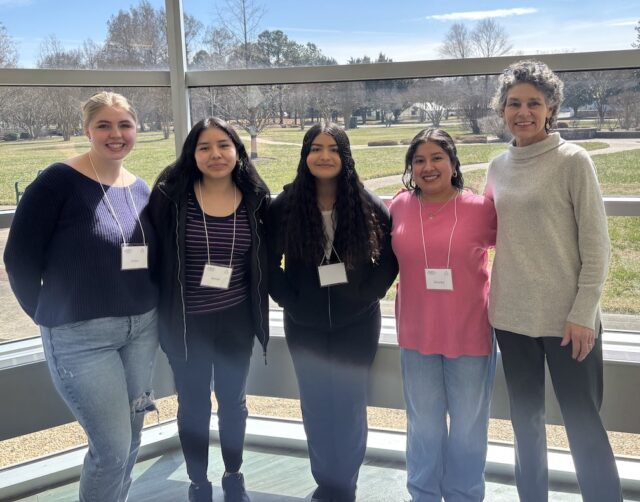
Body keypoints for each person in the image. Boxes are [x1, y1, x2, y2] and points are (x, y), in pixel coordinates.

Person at [4, 91, 159, 502]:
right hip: (81, 339)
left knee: (132, 437)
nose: (116, 134)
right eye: (104, 125)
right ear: (87, 130)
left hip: (142, 329)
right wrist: (45, 315)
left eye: (124, 124)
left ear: (136, 129)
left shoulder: (139, 188)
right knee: (110, 449)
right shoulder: (57, 181)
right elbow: (18, 258)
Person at [485, 60, 622, 502]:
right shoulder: (497, 166)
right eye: (513, 104)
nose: (522, 112)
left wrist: (584, 313)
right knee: (525, 424)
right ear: (502, 110)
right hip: (511, 318)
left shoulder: (572, 161)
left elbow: (598, 247)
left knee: (583, 422)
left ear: (551, 109)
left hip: (569, 323)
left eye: (533, 103)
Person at [267, 123, 398, 502]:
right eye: (316, 148)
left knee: (350, 404)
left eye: (333, 149)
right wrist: (291, 300)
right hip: (303, 325)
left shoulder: (366, 203)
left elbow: (389, 260)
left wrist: (366, 296)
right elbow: (267, 262)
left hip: (356, 325)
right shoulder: (286, 206)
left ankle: (346, 485)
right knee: (316, 403)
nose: (324, 156)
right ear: (305, 155)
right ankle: (327, 483)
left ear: (345, 157)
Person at [148, 117, 269, 502]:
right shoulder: (171, 196)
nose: (215, 154)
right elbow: (152, 256)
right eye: (204, 147)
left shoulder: (255, 196)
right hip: (186, 323)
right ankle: (198, 482)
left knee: (233, 401)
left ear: (237, 150)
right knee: (194, 403)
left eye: (224, 145)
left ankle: (234, 474)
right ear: (192, 154)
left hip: (236, 320)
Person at [389, 128, 496, 501]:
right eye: (419, 160)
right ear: (411, 167)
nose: (428, 166)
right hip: (416, 334)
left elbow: (522, 249)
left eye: (437, 158)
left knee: (468, 426)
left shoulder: (481, 209)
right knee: (423, 425)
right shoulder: (399, 205)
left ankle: (465, 495)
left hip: (470, 333)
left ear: (453, 163)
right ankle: (423, 494)